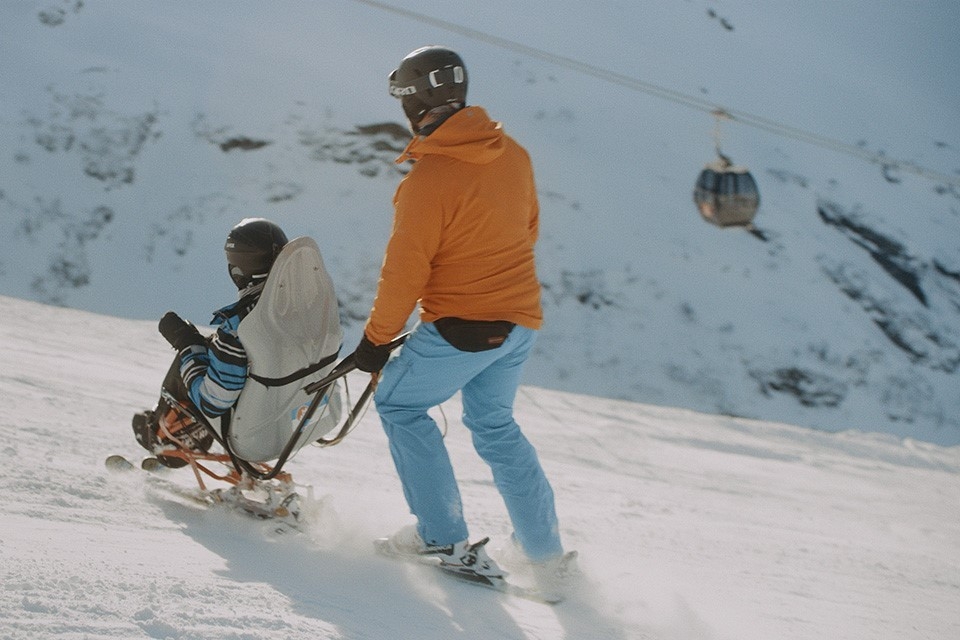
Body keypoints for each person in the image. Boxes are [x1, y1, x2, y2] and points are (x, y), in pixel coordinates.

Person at [350, 45, 574, 582]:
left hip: (463, 328)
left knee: (400, 406)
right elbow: (528, 230)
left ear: (413, 104)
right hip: (521, 323)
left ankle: (442, 540)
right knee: (495, 424)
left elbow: (405, 272)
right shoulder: (514, 153)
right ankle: (545, 558)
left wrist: (377, 339)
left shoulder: (428, 180)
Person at [131, 217, 290, 468]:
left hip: (252, 425)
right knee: (205, 348)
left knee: (191, 358)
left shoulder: (242, 325)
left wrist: (186, 345)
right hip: (293, 417)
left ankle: (166, 437)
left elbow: (215, 399)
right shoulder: (302, 309)